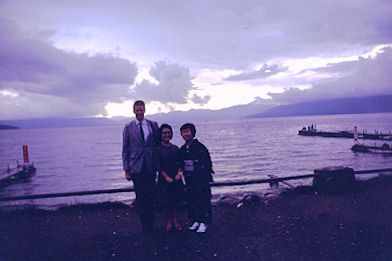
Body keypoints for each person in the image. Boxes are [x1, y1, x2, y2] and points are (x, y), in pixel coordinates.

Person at [122, 100, 159, 232]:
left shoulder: (153, 125)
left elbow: (157, 145)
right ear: (134, 111)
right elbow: (125, 149)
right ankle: (145, 226)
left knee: (151, 195)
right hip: (136, 167)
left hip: (150, 166)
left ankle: (152, 223)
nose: (139, 112)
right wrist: (126, 169)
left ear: (144, 110)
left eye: (141, 110)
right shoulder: (128, 127)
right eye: (137, 110)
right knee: (141, 197)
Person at [178, 123, 214, 233]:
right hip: (189, 178)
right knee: (192, 199)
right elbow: (180, 163)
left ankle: (205, 221)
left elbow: (207, 163)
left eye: (188, 131)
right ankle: (196, 220)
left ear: (193, 133)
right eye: (184, 132)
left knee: (203, 199)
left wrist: (200, 171)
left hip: (201, 178)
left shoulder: (200, 147)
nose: (186, 134)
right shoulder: (183, 149)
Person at [155, 123, 185, 232]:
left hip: (176, 178)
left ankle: (176, 220)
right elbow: (158, 165)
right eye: (164, 133)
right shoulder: (157, 149)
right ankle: (169, 221)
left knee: (176, 201)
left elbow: (180, 163)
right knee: (166, 202)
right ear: (160, 135)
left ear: (171, 134)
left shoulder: (175, 148)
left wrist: (179, 173)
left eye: (168, 133)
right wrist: (166, 176)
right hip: (164, 179)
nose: (166, 135)